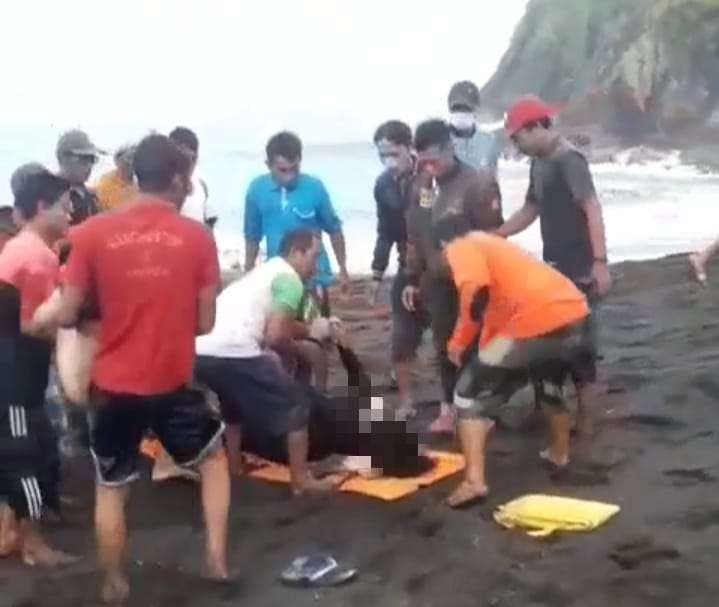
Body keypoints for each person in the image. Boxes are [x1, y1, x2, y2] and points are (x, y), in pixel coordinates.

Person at [45, 134, 229, 603]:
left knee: (112, 486)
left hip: (112, 385)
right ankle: (216, 560)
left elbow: (67, 316)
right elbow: (205, 323)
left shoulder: (89, 234)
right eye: (186, 178)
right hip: (171, 379)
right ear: (176, 179)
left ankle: (114, 582)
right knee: (212, 460)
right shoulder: (197, 237)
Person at [433, 216, 592, 508]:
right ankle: (559, 453)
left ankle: (474, 482)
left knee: (467, 396)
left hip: (535, 320)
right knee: (548, 380)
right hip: (574, 312)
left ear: (443, 245)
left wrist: (456, 343)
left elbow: (474, 289)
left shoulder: (462, 245)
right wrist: (477, 353)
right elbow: (492, 319)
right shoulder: (499, 249)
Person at [496, 94, 610, 435]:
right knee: (547, 344)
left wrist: (600, 263)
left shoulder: (568, 159)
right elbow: (531, 208)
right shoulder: (540, 163)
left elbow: (591, 208)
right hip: (554, 267)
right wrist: (497, 234)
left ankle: (587, 420)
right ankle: (547, 411)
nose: (516, 145)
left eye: (517, 137)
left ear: (535, 127)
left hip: (580, 268)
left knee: (581, 348)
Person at [195, 228, 341, 493]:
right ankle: (301, 481)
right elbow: (275, 335)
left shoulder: (262, 273)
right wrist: (293, 351)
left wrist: (307, 331)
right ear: (296, 252)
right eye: (313, 256)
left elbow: (273, 325)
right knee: (296, 404)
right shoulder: (290, 279)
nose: (316, 265)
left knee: (232, 398)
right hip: (233, 348)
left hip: (201, 349)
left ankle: (235, 465)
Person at [403, 119, 503, 433]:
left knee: (477, 344)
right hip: (437, 279)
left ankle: (481, 409)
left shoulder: (478, 183)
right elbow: (415, 234)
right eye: (423, 161)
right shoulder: (420, 185)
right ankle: (448, 408)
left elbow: (494, 237)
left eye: (434, 159)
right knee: (444, 343)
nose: (429, 167)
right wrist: (410, 276)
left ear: (450, 148)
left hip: (474, 278)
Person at [0, 169, 77, 566]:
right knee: (23, 457)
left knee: (27, 448)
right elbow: (30, 324)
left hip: (15, 371)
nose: (69, 216)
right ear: (42, 208)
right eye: (64, 207)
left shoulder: (18, 248)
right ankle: (33, 545)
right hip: (13, 376)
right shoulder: (37, 258)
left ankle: (9, 532)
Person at [244, 131, 350, 307]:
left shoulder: (314, 188)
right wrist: (248, 270)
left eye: (294, 169)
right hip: (278, 275)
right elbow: (252, 235)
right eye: (282, 170)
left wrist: (343, 269)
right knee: (281, 329)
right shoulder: (257, 190)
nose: (290, 176)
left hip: (315, 276)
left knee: (318, 329)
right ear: (268, 165)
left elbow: (334, 228)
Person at [370, 120, 423, 417]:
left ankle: (452, 403)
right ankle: (406, 401)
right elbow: (385, 230)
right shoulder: (383, 185)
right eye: (382, 155)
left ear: (408, 147)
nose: (388, 161)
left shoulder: (429, 177)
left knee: (447, 335)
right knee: (402, 334)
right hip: (405, 263)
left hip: (437, 265)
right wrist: (377, 273)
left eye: (392, 153)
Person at [447, 81, 503, 174]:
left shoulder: (489, 141)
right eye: (457, 108)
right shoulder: (439, 139)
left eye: (466, 109)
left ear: (475, 110)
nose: (462, 113)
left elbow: (493, 178)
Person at [169, 127, 218, 230]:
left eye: (190, 158)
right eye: (179, 156)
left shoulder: (201, 186)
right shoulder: (162, 187)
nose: (184, 163)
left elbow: (208, 223)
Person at [56, 129, 102, 225]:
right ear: (63, 159)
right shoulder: (49, 197)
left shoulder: (92, 197)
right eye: (83, 159)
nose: (89, 166)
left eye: (92, 159)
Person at [95, 145, 137, 211]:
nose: (131, 163)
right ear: (117, 161)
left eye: (136, 159)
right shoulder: (106, 181)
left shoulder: (139, 185)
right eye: (129, 158)